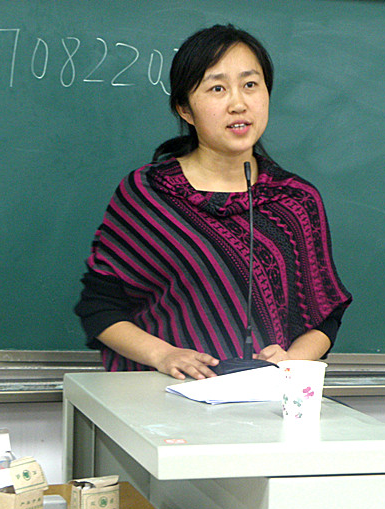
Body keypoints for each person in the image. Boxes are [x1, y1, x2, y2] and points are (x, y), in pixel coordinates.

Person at [75, 24, 352, 380]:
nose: (238, 104)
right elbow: (99, 307)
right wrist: (164, 355)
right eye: (217, 88)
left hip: (265, 399)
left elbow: (326, 315)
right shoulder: (149, 193)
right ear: (185, 109)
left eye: (250, 85)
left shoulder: (295, 200)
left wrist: (291, 360)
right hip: (162, 396)